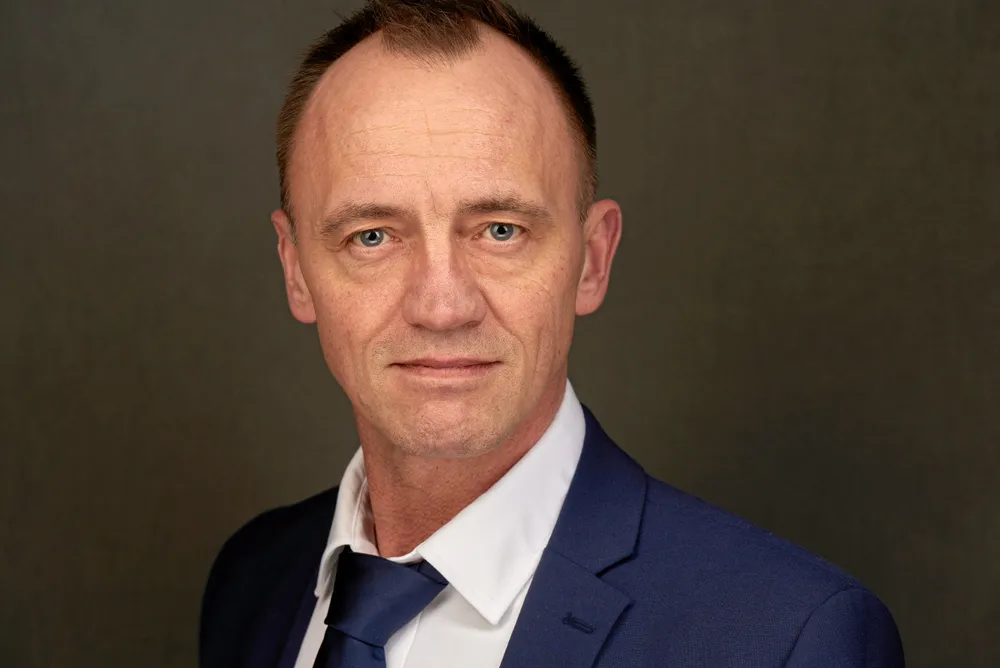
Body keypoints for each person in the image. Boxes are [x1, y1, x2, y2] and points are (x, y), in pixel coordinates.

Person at [199, 1, 905, 667]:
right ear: (296, 270)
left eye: (501, 231)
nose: (441, 306)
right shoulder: (255, 580)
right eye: (373, 236)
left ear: (592, 260)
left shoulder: (786, 639)